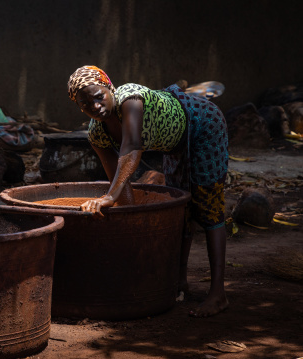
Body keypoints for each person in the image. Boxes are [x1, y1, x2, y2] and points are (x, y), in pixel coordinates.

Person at [67, 65, 229, 318]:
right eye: (87, 104)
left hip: (203, 125)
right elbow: (120, 184)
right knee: (182, 206)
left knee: (208, 205)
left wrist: (108, 197)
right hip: (174, 144)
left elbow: (132, 148)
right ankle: (179, 283)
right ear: (80, 108)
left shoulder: (131, 99)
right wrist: (129, 226)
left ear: (110, 88)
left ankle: (218, 294)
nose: (95, 106)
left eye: (98, 97)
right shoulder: (97, 133)